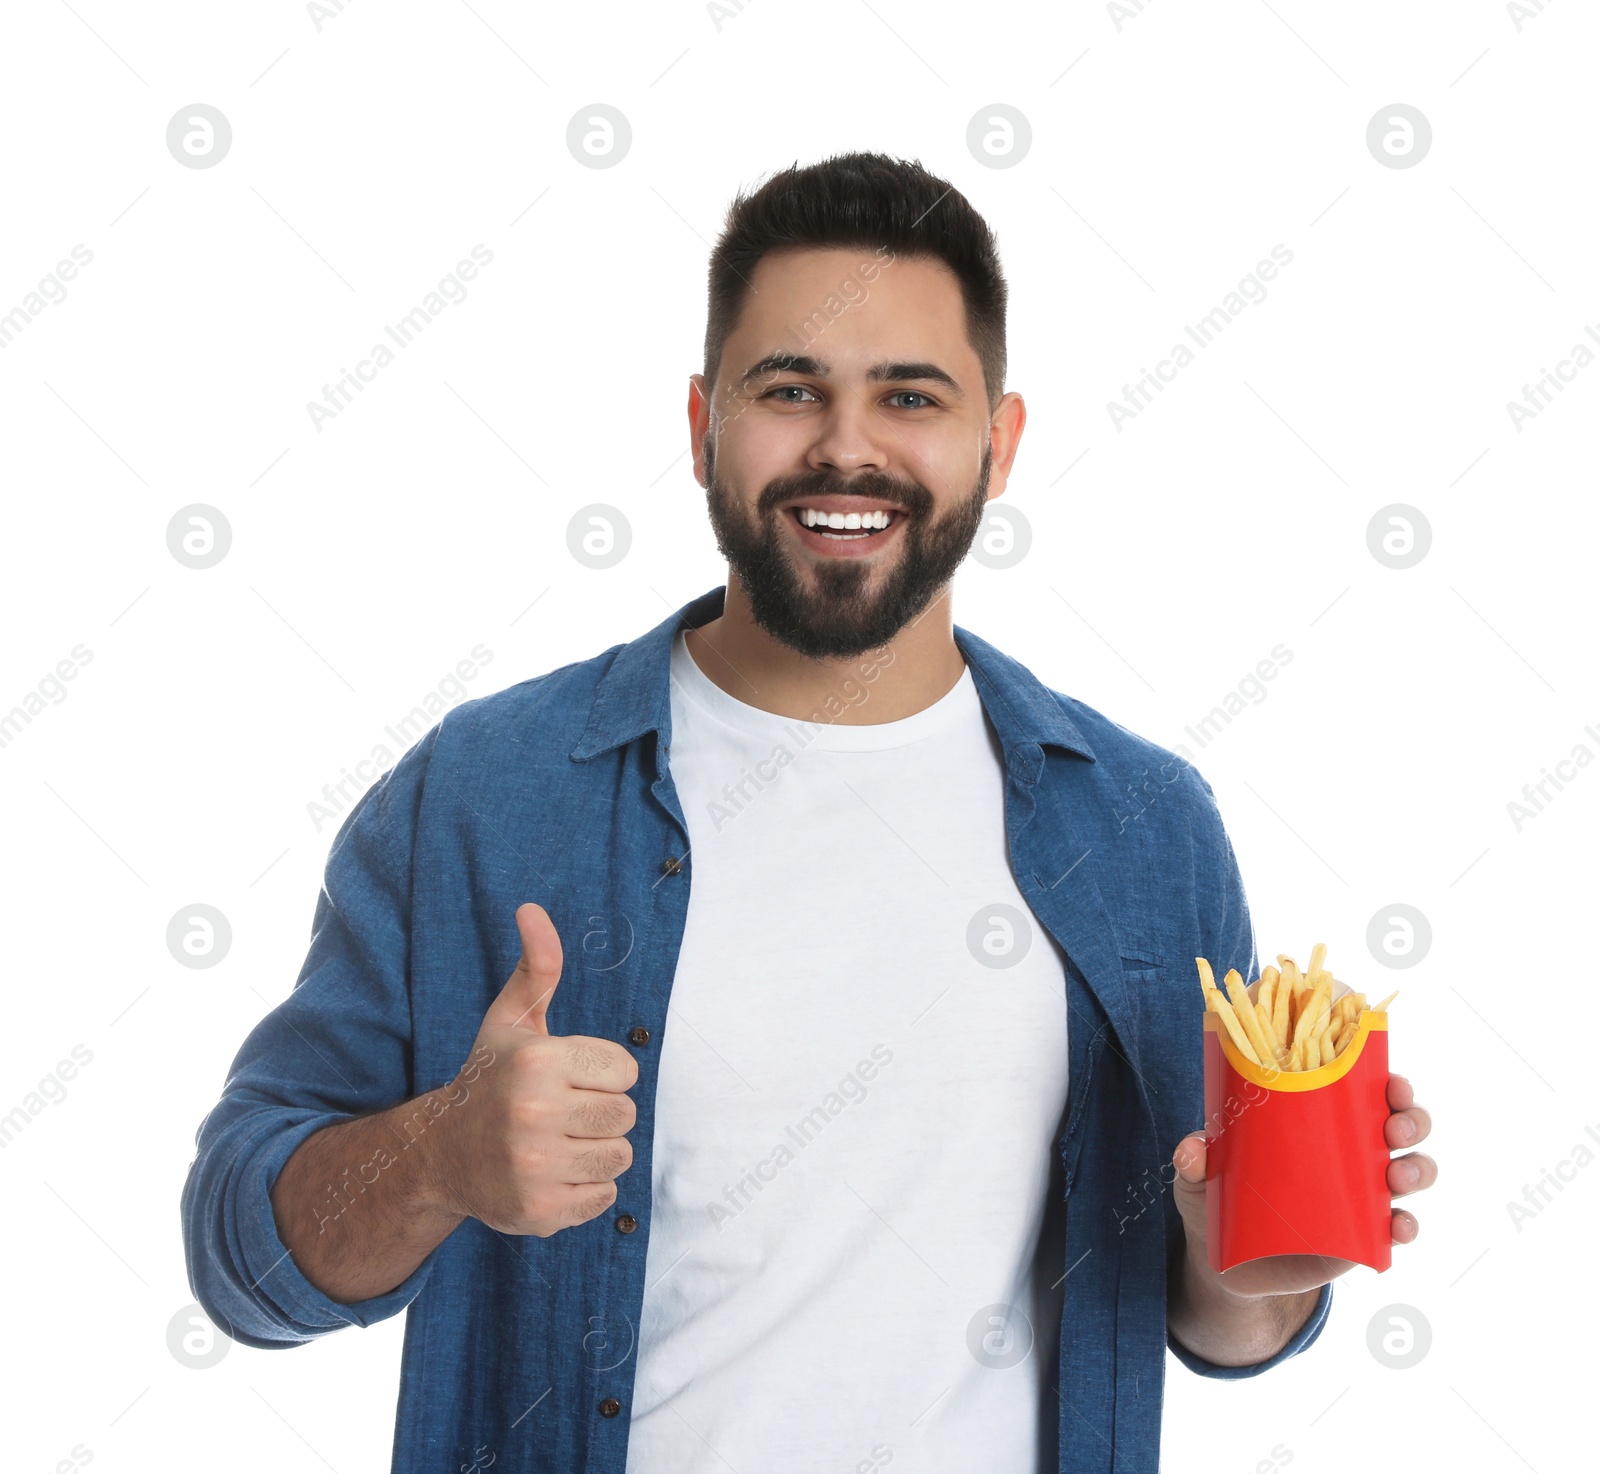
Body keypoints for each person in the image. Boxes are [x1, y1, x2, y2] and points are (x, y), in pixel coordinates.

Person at [181, 151, 1436, 1474]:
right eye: (791, 390)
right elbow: (237, 1257)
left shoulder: (1142, 824)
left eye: (911, 395)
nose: (848, 446)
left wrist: (1264, 1262)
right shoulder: (484, 796)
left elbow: (1224, 1313)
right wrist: (439, 1153)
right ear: (700, 425)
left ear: (998, 443)